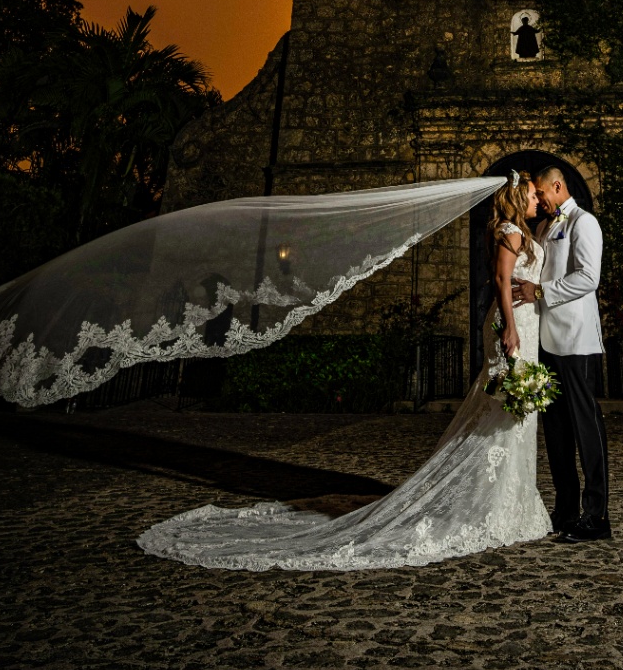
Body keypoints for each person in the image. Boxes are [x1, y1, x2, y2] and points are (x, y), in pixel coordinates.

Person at [137, 173, 552, 571]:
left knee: (512, 411)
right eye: (533, 194)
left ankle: (506, 498)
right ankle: (492, 503)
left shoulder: (524, 232)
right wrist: (510, 329)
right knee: (504, 407)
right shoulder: (510, 232)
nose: (537, 200)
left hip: (524, 323)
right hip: (513, 324)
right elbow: (500, 278)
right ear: (518, 198)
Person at [513, 166, 611, 543]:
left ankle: (597, 515)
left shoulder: (584, 222)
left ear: (557, 186)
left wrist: (539, 292)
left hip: (576, 340)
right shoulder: (543, 228)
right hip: (547, 341)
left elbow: (589, 277)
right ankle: (566, 510)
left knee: (586, 427)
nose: (539, 199)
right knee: (556, 430)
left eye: (541, 191)